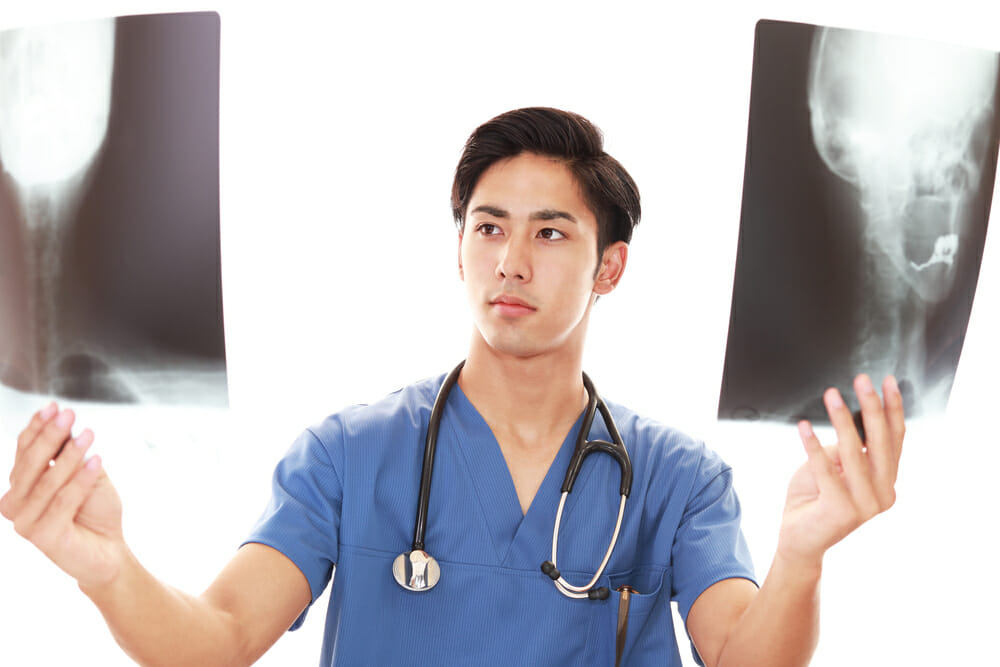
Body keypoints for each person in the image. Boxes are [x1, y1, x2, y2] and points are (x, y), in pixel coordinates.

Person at [0, 107, 904, 666]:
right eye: (488, 226)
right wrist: (109, 572)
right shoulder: (350, 455)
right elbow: (220, 640)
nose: (510, 260)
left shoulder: (673, 478)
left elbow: (746, 659)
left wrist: (801, 557)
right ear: (459, 244)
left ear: (610, 267)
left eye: (551, 233)